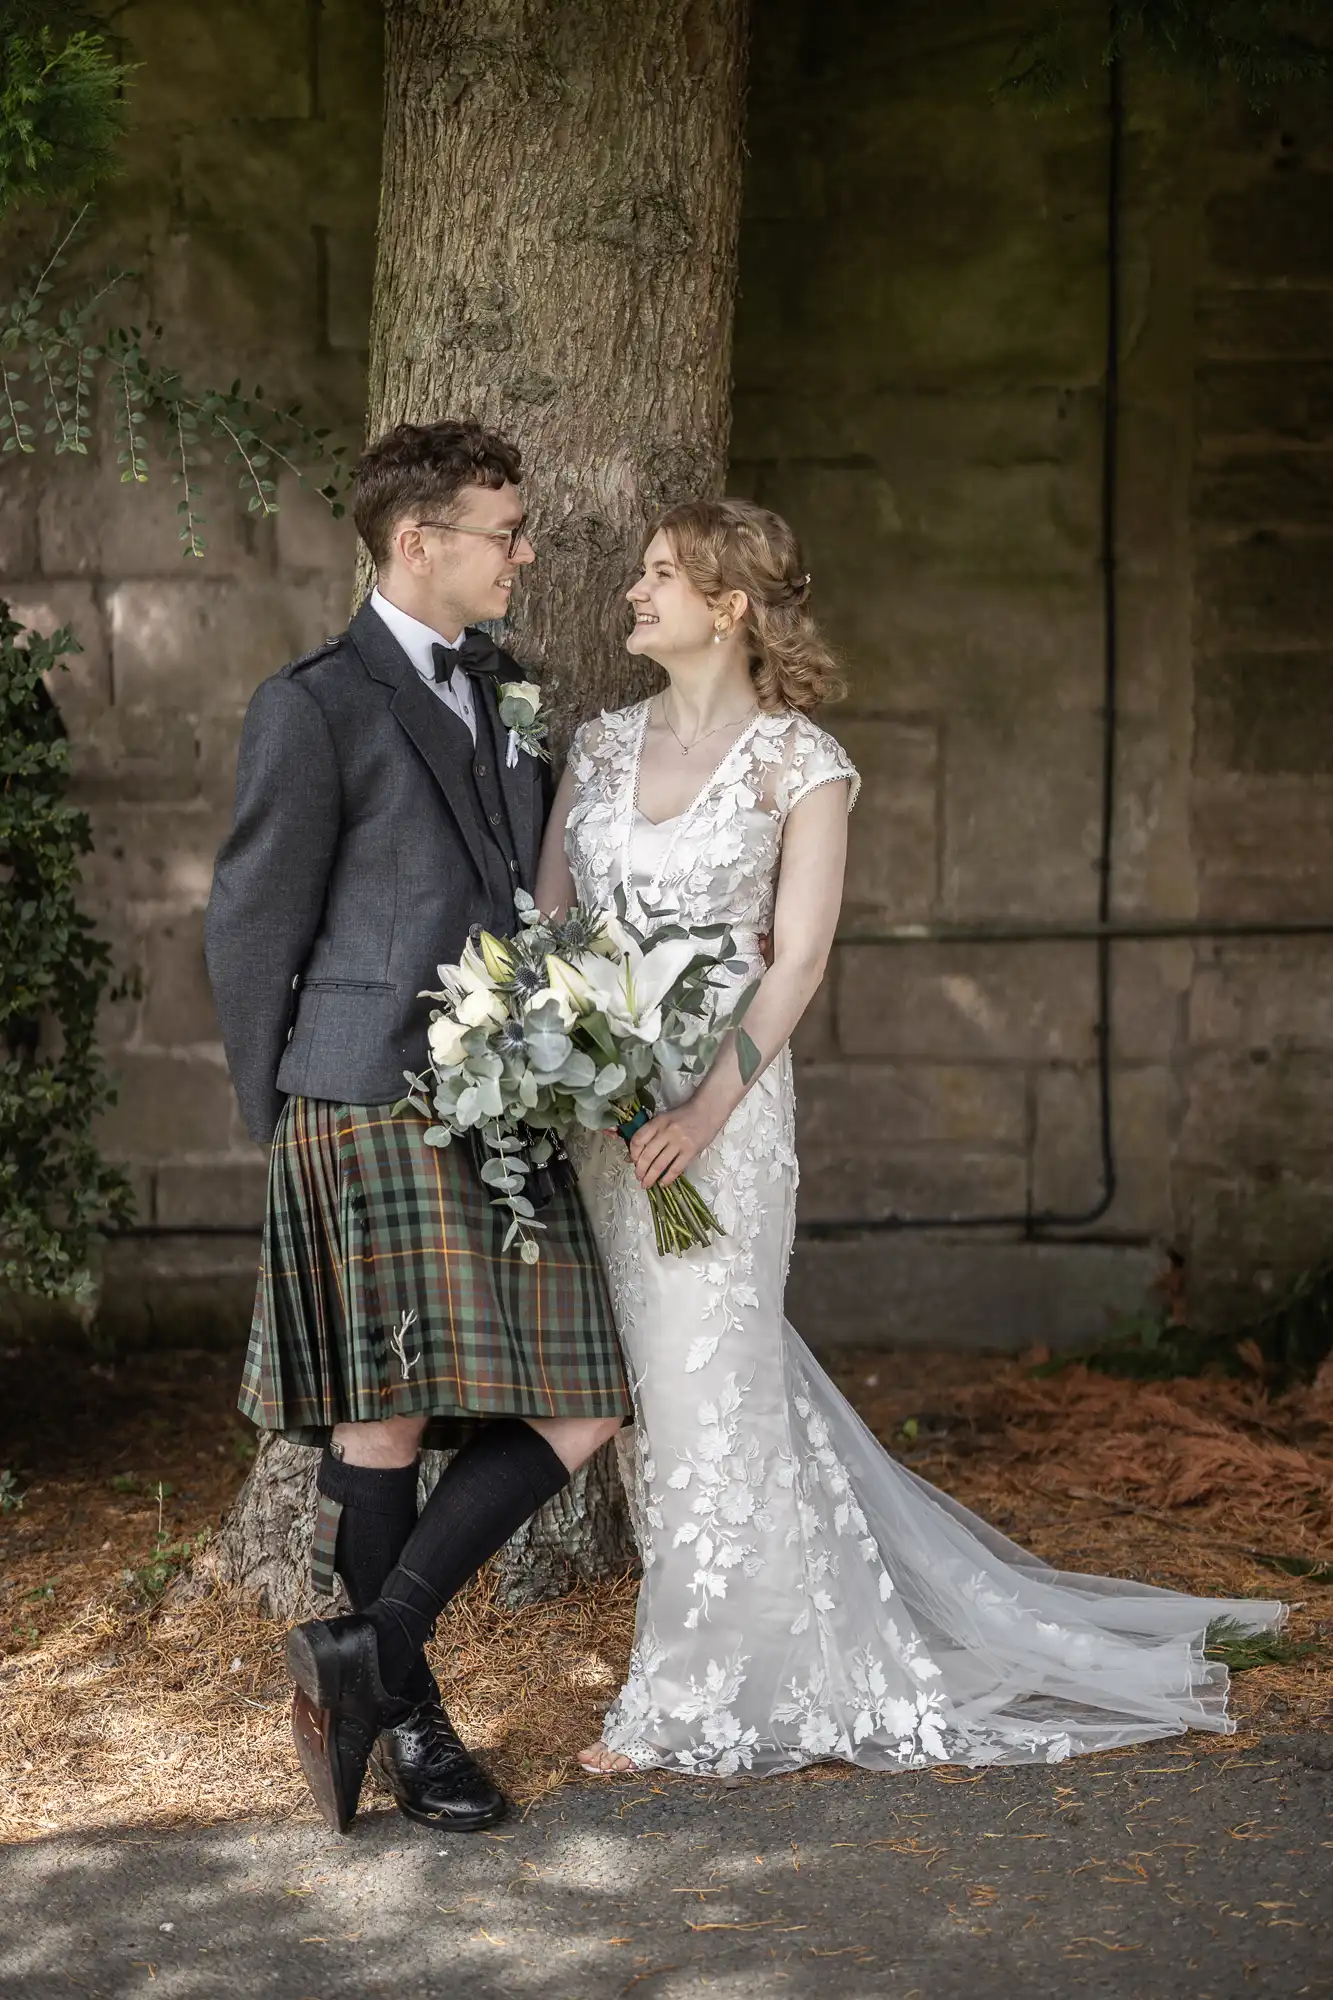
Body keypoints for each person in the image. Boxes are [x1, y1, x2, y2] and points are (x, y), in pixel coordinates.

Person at [531, 495, 1286, 1778]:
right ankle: (770, 1637)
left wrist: (707, 1104)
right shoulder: (598, 748)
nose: (631, 594)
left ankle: (696, 1694)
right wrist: (580, 1062)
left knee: (710, 1372)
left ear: (729, 604)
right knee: (675, 1391)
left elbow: (800, 957)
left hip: (723, 1110)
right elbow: (548, 914)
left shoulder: (799, 761)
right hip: (608, 1106)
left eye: (661, 574)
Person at [204, 420, 628, 1835]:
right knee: (381, 1424)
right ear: (416, 542)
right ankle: (418, 1727)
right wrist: (281, 1115)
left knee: (581, 1401)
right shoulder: (314, 704)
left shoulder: (505, 688)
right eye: (502, 533)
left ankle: (366, 1655)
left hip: (498, 1104)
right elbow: (252, 921)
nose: (521, 556)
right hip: (362, 1097)